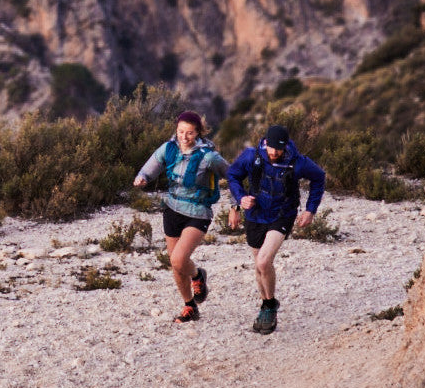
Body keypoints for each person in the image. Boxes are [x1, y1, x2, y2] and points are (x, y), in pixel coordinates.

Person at [133, 110, 231, 324]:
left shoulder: (208, 157)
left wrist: (236, 204)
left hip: (198, 212)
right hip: (172, 209)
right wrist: (142, 177)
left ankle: (197, 276)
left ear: (198, 133)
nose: (184, 137)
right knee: (175, 265)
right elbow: (153, 164)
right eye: (180, 132)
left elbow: (231, 175)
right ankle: (190, 306)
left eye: (189, 133)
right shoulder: (168, 148)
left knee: (179, 259)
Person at [227, 123, 325, 334]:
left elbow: (319, 177)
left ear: (285, 147)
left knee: (264, 261)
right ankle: (266, 307)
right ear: (265, 143)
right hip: (255, 214)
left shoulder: (297, 163)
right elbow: (233, 175)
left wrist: (310, 210)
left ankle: (270, 305)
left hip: (282, 215)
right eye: (271, 148)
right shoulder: (252, 156)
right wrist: (239, 200)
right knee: (259, 266)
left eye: (278, 150)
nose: (274, 153)